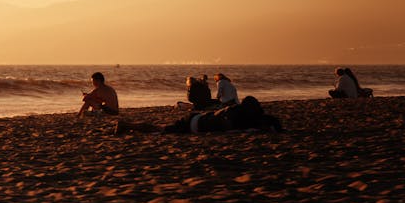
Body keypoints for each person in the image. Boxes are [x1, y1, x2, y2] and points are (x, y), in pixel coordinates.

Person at [116, 95, 282, 136]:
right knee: (159, 129)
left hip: (198, 119)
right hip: (193, 123)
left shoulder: (242, 114)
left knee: (159, 129)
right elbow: (226, 127)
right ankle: (126, 125)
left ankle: (127, 125)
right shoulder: (234, 114)